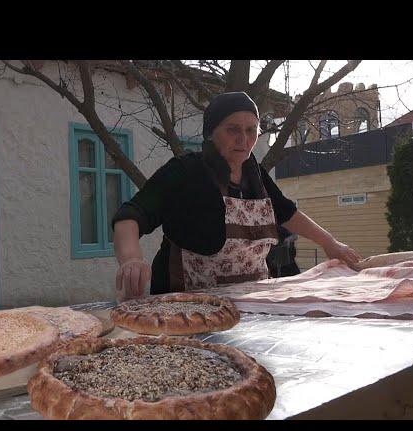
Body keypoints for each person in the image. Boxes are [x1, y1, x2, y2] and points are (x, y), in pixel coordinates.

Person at [112, 91, 361, 300]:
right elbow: (131, 215)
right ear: (210, 133)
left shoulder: (257, 177)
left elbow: (287, 213)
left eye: (251, 130)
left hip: (251, 306)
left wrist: (330, 243)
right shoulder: (185, 171)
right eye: (233, 130)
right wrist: (131, 259)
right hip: (185, 307)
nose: (244, 139)